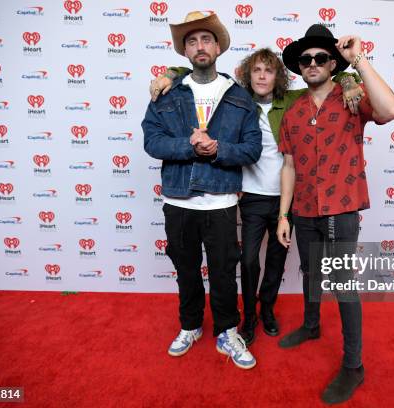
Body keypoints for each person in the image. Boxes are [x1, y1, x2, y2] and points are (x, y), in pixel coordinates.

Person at [150, 49, 364, 346]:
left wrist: (351, 78)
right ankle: (248, 316)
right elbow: (201, 73)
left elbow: (325, 78)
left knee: (276, 262)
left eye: (269, 70)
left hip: (286, 199)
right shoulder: (236, 101)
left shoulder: (292, 101)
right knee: (248, 261)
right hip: (251, 197)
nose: (263, 75)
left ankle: (268, 312)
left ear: (278, 77)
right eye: (257, 70)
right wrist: (171, 73)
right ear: (248, 76)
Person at [276, 24, 394, 403]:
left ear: (332, 63)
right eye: (305, 59)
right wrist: (283, 215)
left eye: (320, 57)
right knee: (312, 272)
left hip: (342, 208)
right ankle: (311, 326)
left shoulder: (353, 96)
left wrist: (357, 60)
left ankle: (353, 366)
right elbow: (289, 167)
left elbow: (391, 110)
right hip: (304, 210)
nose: (312, 63)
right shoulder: (293, 111)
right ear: (299, 66)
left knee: (344, 286)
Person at [141, 11, 262, 370]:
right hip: (177, 201)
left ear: (218, 46)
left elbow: (251, 149)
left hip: (222, 202)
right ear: (184, 51)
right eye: (191, 41)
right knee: (186, 268)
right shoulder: (167, 93)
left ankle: (227, 330)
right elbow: (152, 140)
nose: (199, 46)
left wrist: (219, 149)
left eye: (205, 39)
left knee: (224, 271)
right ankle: (191, 325)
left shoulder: (240, 97)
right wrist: (188, 146)